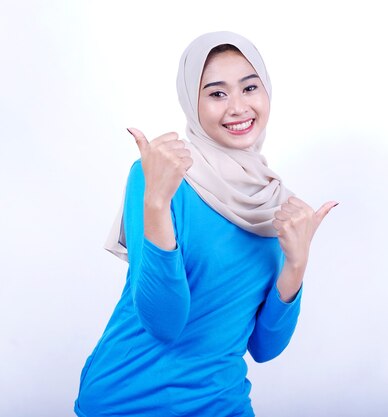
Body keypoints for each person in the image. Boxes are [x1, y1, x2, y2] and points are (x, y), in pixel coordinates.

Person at [74, 31, 338, 417]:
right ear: (191, 102)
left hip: (220, 402)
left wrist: (296, 266)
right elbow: (164, 322)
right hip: (126, 400)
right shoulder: (160, 176)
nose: (237, 107)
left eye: (249, 87)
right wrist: (157, 205)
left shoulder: (276, 205)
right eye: (216, 93)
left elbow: (264, 348)